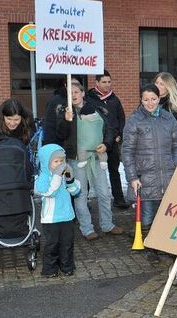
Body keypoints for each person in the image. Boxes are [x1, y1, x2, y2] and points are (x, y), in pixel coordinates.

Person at [122, 84, 177, 261]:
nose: (150, 103)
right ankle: (150, 247)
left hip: (167, 174)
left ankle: (164, 243)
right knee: (147, 213)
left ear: (159, 98)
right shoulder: (134, 120)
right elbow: (127, 151)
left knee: (167, 212)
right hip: (145, 176)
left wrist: (176, 164)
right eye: (146, 99)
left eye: (153, 99)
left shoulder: (168, 118)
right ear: (141, 100)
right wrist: (132, 177)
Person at [55, 82, 123, 240]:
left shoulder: (97, 109)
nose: (74, 95)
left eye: (76, 91)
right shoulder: (63, 112)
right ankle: (87, 228)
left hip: (98, 157)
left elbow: (109, 128)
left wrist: (106, 144)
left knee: (104, 193)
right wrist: (66, 120)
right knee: (81, 194)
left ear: (83, 93)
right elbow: (61, 135)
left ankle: (107, 224)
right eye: (70, 93)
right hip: (77, 159)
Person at [35, 144, 81, 277]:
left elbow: (76, 192)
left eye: (62, 161)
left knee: (67, 244)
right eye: (56, 161)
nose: (60, 164)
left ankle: (67, 266)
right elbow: (49, 192)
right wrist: (56, 176)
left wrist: (70, 180)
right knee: (52, 245)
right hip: (51, 218)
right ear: (46, 162)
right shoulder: (42, 178)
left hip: (67, 216)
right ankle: (49, 269)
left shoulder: (64, 174)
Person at [86, 70, 129, 209]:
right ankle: (84, 200)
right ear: (96, 82)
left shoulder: (114, 99)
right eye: (104, 82)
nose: (107, 85)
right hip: (95, 143)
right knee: (89, 172)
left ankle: (118, 199)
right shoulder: (88, 99)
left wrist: (119, 135)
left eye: (109, 82)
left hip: (112, 143)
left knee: (114, 170)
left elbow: (121, 119)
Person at [44, 77, 82, 145]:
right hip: (60, 145)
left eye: (77, 84)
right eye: (72, 84)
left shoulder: (85, 101)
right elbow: (49, 126)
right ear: (65, 85)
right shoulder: (55, 101)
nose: (74, 86)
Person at [75, 103, 109, 170]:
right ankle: (103, 161)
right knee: (101, 152)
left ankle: (83, 160)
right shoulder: (100, 119)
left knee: (81, 149)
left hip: (85, 144)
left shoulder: (83, 119)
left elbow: (78, 122)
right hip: (99, 143)